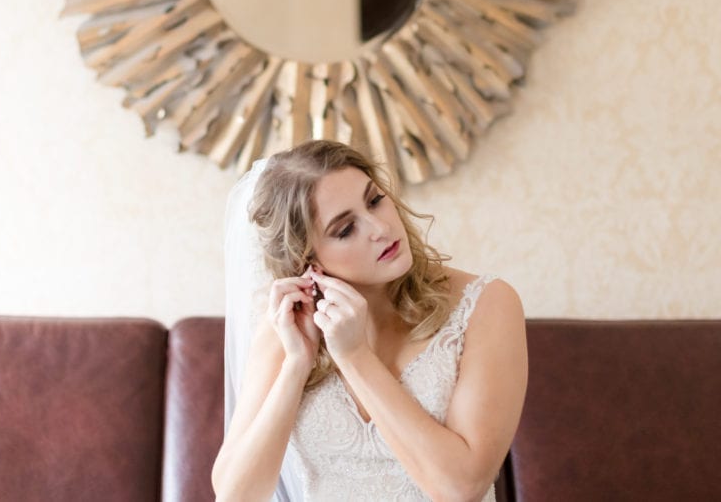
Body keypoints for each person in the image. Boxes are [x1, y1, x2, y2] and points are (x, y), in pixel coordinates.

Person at [212, 140, 528, 501]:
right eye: (346, 229)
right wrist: (297, 365)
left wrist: (354, 356)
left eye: (375, 199)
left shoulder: (487, 303)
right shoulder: (286, 328)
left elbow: (462, 487)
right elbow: (234, 495)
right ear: (308, 262)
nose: (379, 227)